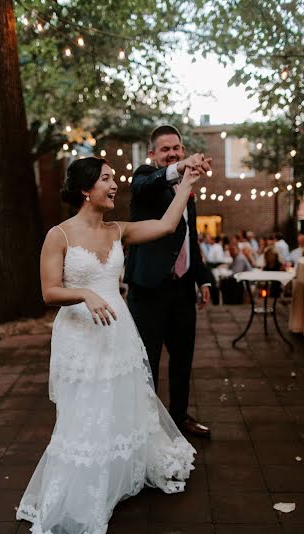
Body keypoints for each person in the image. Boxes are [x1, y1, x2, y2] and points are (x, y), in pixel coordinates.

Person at [17, 156, 208, 534]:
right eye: (107, 179)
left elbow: (166, 225)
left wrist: (188, 182)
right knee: (83, 412)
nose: (115, 185)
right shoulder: (60, 235)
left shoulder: (118, 231)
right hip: (79, 336)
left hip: (118, 332)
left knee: (117, 405)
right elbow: (49, 291)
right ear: (86, 189)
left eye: (115, 179)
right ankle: (82, 493)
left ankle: (113, 481)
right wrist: (86, 293)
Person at [124, 125, 212, 438]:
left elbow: (190, 238)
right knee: (146, 360)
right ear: (153, 154)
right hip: (148, 288)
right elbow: (146, 183)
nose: (172, 153)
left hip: (182, 289)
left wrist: (203, 279)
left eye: (177, 148)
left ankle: (179, 417)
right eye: (165, 149)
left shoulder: (187, 192)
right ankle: (145, 424)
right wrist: (179, 169)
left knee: (183, 358)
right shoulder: (145, 179)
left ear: (183, 149)